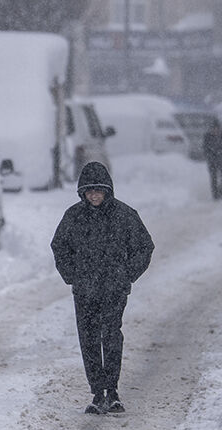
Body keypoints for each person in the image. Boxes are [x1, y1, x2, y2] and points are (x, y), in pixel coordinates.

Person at [50, 161, 154, 414]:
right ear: (82, 192)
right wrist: (72, 276)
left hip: (114, 290)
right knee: (88, 339)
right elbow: (59, 246)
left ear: (107, 191)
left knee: (111, 336)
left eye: (99, 190)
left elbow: (145, 246)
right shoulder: (73, 216)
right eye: (89, 191)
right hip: (85, 290)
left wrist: (127, 274)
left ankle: (113, 390)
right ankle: (97, 392)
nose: (94, 195)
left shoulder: (124, 215)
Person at [202, 118, 222, 200]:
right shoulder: (207, 136)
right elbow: (205, 149)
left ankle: (221, 191)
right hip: (212, 161)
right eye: (213, 129)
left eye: (217, 129)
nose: (215, 131)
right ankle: (215, 195)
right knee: (213, 178)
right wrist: (210, 158)